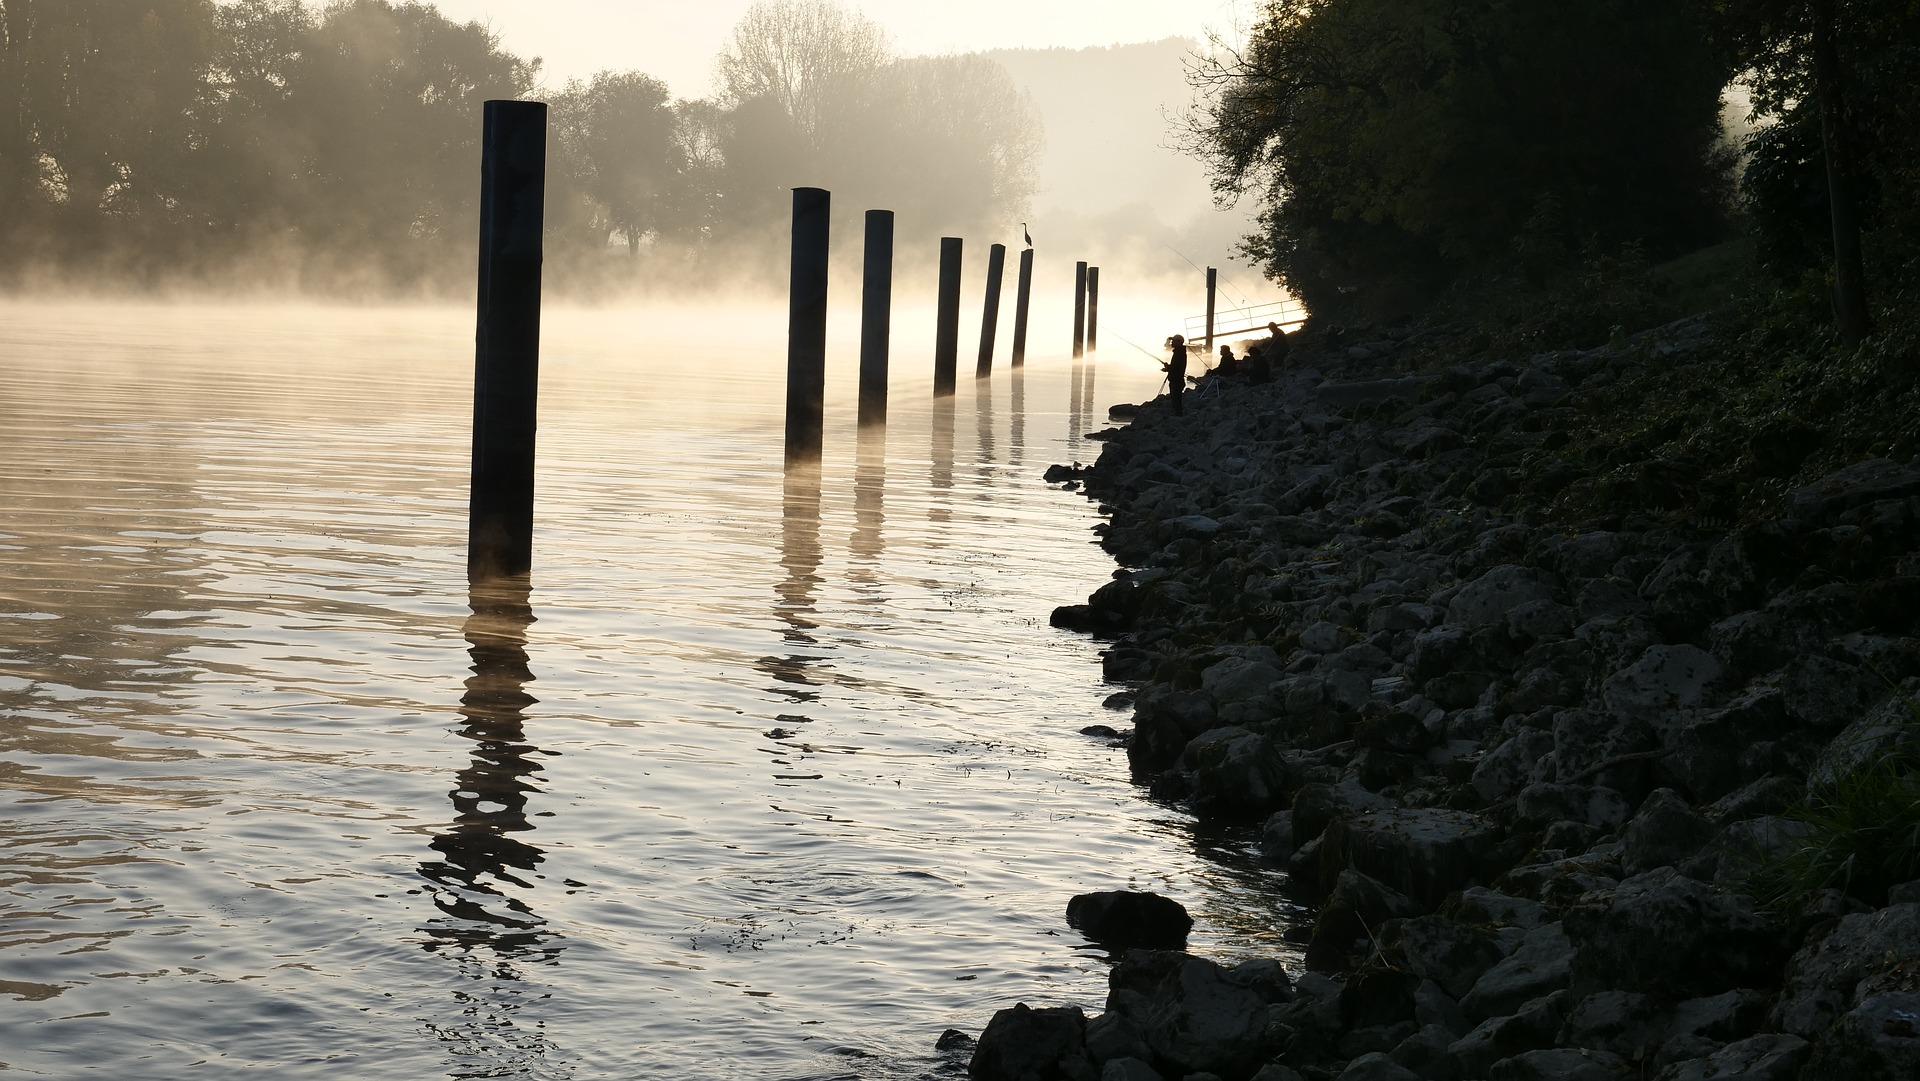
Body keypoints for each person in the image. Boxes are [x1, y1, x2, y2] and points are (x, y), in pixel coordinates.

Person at [1164, 334, 1188, 415]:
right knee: (1176, 401)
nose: (1172, 343)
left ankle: (1178, 417)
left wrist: (1168, 368)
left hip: (1176, 381)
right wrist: (1168, 367)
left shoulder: (1179, 353)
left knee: (1176, 401)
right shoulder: (1179, 352)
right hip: (1177, 380)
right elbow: (1176, 366)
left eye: (1174, 341)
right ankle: (1177, 416)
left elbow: (1176, 367)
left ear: (1179, 342)